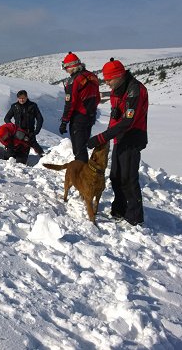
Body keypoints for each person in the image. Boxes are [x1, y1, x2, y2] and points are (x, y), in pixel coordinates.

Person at [87, 58, 149, 226]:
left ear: (119, 75)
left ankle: (135, 217)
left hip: (133, 136)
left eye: (109, 79)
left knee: (128, 178)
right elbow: (115, 116)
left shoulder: (135, 91)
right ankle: (119, 209)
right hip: (120, 136)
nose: (106, 82)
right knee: (115, 176)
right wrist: (106, 138)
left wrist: (101, 137)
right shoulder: (118, 89)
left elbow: (127, 121)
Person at [59, 52, 101, 162]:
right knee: (83, 146)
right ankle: (85, 171)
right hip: (90, 116)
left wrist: (64, 121)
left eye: (66, 68)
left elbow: (70, 103)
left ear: (72, 66)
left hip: (78, 118)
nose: (66, 71)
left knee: (78, 150)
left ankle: (81, 175)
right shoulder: (92, 76)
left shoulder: (74, 81)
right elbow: (97, 98)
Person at [0, 90, 45, 156]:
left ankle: (47, 159)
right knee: (10, 153)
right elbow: (6, 118)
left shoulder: (33, 106)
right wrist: (12, 127)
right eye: (20, 98)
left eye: (23, 98)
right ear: (17, 98)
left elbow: (40, 119)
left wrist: (36, 131)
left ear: (27, 97)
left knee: (40, 152)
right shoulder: (14, 106)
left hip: (29, 133)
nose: (21, 100)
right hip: (17, 133)